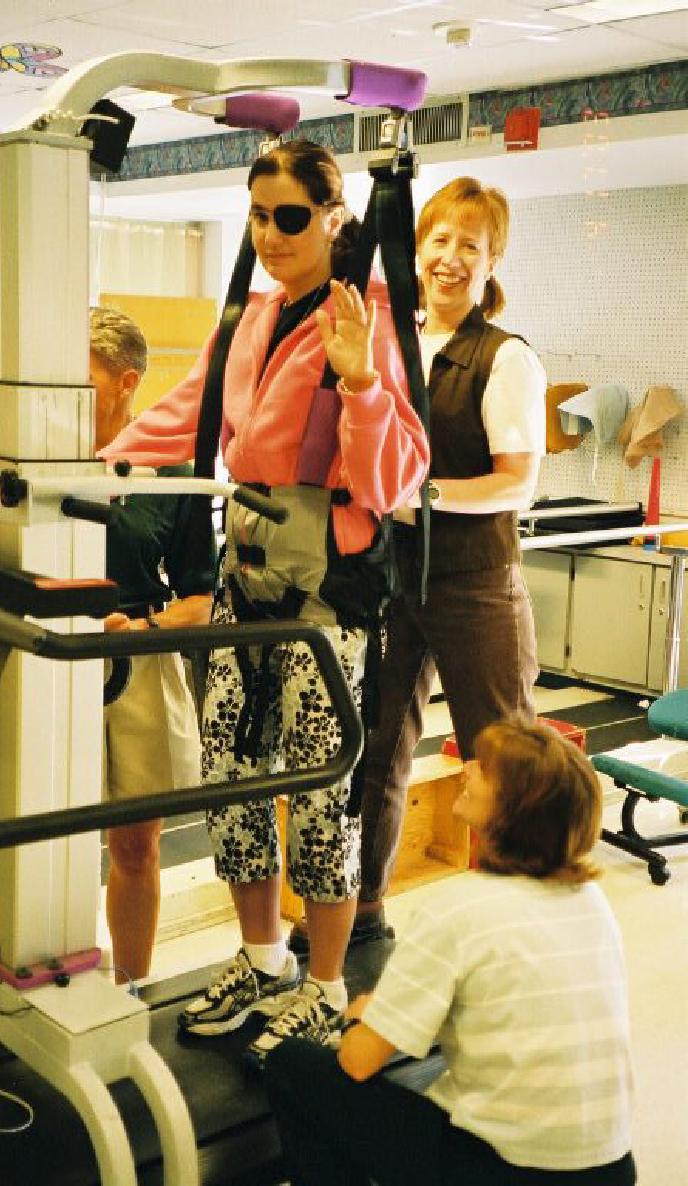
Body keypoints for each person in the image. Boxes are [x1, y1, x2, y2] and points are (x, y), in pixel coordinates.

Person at [99, 140, 429, 1061]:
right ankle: (261, 957)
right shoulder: (252, 317)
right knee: (233, 780)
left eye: (291, 216)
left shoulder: (360, 316)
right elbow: (187, 412)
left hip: (327, 598)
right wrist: (77, 469)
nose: (273, 233)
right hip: (245, 581)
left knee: (322, 794)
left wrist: (361, 381)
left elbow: (396, 475)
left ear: (332, 217)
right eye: (259, 215)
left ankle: (325, 985)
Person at [299, 174, 546, 948]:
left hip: (476, 584)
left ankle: (520, 921)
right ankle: (361, 909)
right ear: (418, 248)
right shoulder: (390, 338)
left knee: (500, 755)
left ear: (491, 260)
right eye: (438, 239)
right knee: (372, 747)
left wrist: (418, 495)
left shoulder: (504, 358)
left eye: (469, 246)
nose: (449, 258)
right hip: (395, 576)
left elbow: (518, 480)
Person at [265, 718, 637, 1186]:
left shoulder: (459, 909)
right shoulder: (593, 903)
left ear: (514, 808)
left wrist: (363, 1017)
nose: (467, 769)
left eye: (485, 769)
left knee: (292, 1065)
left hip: (505, 1173)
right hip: (613, 1171)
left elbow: (358, 1061)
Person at [91, 306, 217, 983]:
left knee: (136, 844)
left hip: (138, 660)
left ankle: (130, 989)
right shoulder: (35, 459)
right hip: (48, 659)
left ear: (125, 382)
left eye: (83, 382)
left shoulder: (173, 472)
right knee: (37, 841)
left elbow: (201, 598)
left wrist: (140, 630)